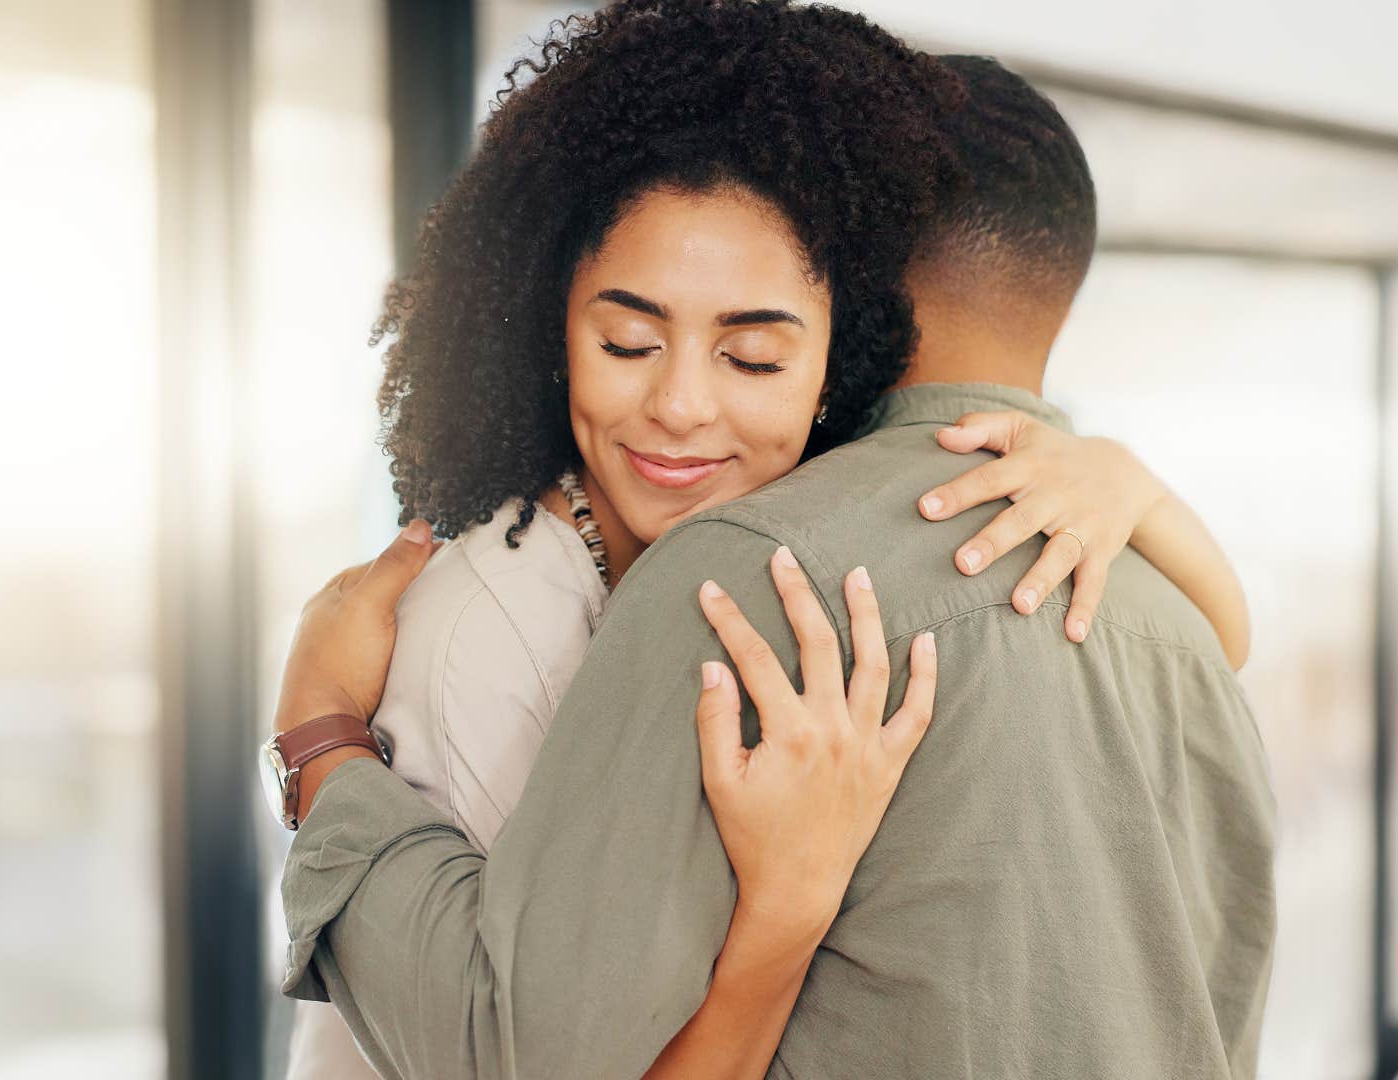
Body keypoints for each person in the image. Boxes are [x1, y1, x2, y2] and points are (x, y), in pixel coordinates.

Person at [274, 5, 1275, 1078]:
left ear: (850, 300)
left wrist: (319, 742)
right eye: (628, 340)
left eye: (752, 353)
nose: (682, 406)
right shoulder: (1171, 621)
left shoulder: (744, 581)